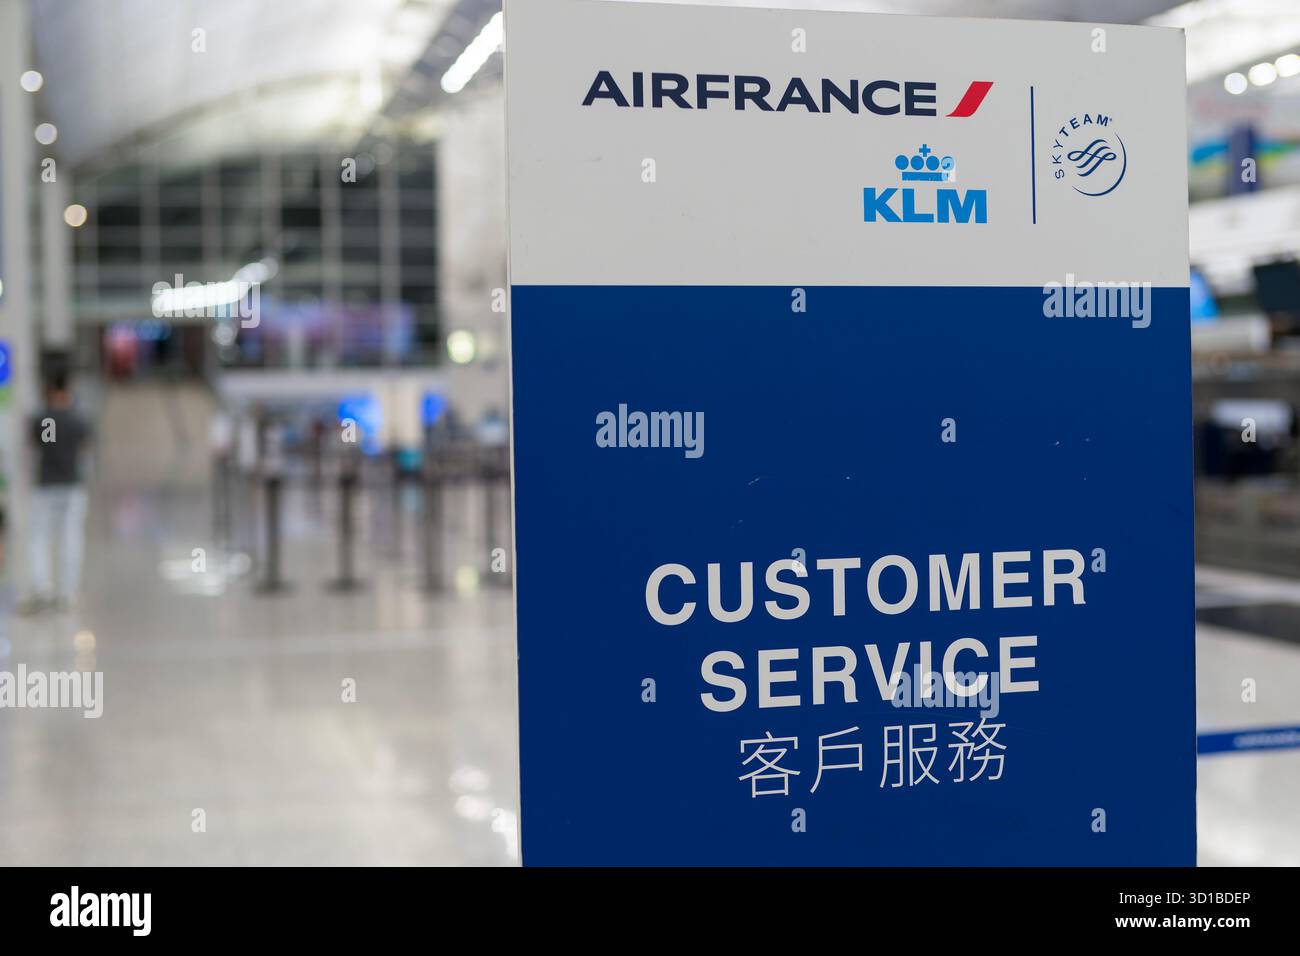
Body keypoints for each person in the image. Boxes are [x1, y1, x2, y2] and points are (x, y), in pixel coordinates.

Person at [25, 373, 92, 613]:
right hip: (72, 486)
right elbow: (86, 449)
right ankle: (67, 591)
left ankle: (42, 588)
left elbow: (38, 445)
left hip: (46, 486)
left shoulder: (42, 419)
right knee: (71, 537)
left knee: (40, 538)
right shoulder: (78, 420)